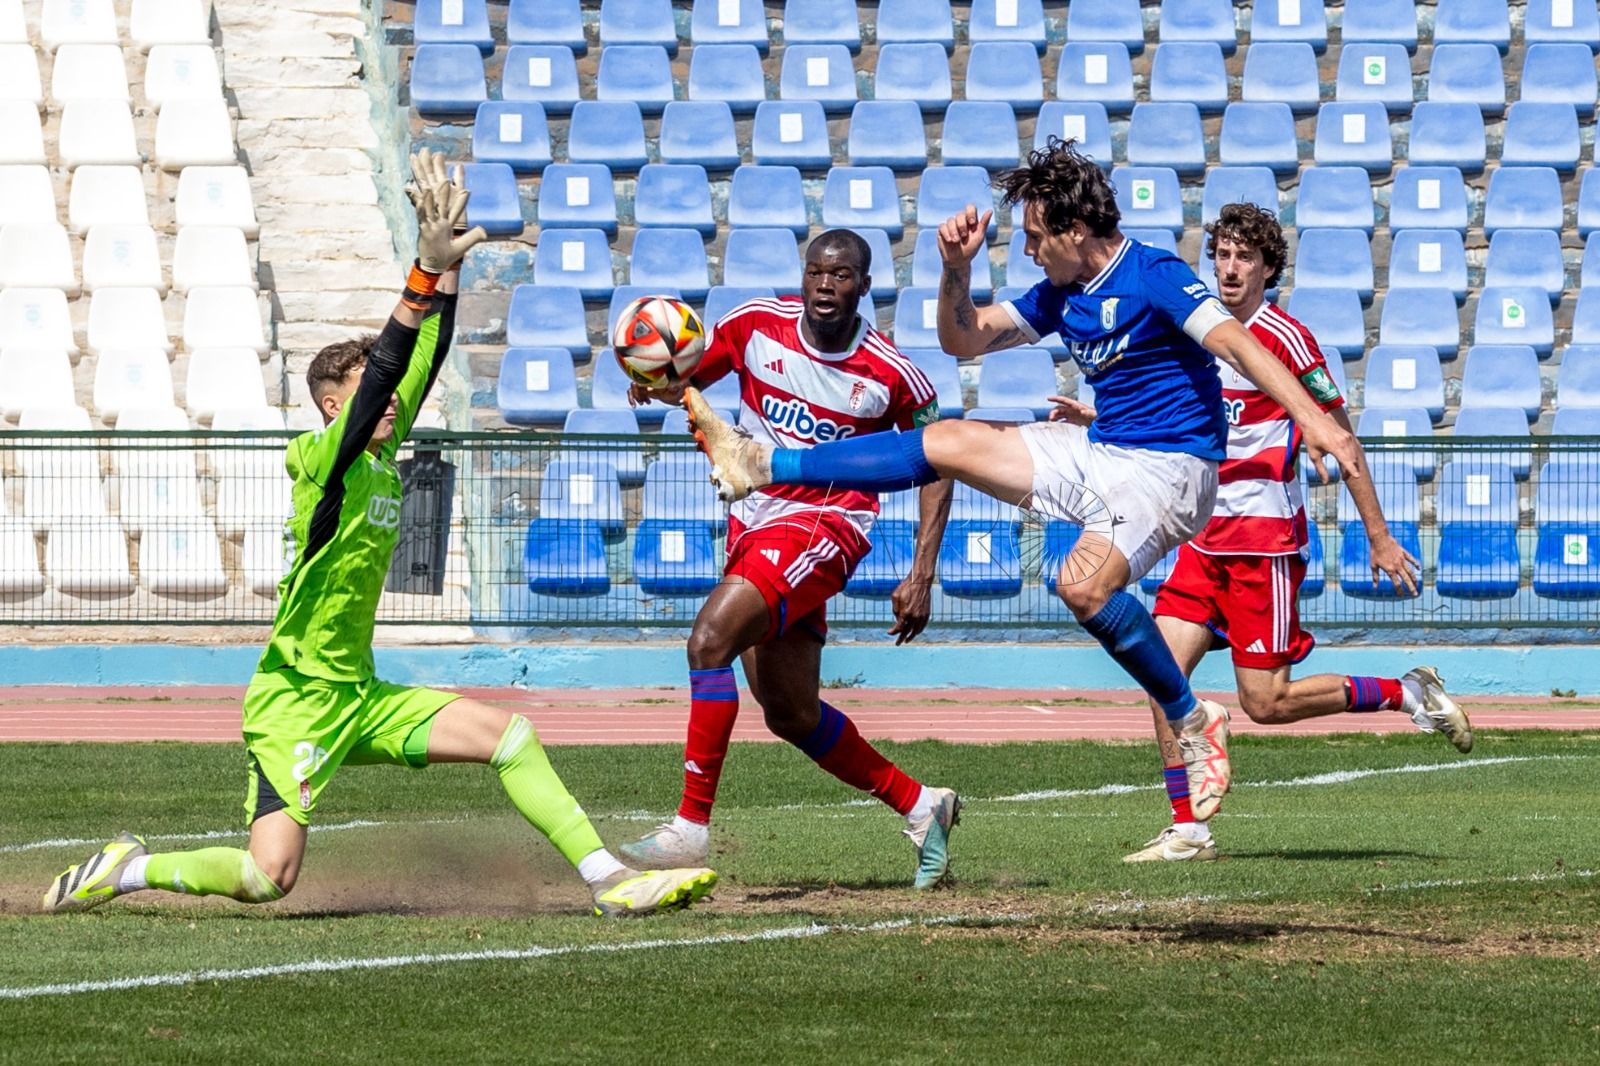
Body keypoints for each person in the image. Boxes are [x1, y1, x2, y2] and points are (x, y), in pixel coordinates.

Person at [43, 151, 717, 918]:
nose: (389, 401)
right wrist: (418, 280)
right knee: (267, 879)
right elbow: (396, 357)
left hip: (357, 693)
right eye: (368, 392)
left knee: (511, 736)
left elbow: (417, 364)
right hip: (295, 703)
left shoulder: (382, 452)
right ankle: (128, 870)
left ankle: (610, 880)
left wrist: (449, 267)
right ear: (335, 408)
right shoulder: (327, 462)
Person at [682, 140, 1368, 821]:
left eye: (1037, 237)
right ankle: (763, 463)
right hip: (1104, 451)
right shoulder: (1062, 291)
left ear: (1074, 230)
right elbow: (965, 340)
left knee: (1081, 583)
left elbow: (1236, 343)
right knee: (949, 439)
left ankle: (1193, 721)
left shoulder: (1151, 273)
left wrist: (1313, 419)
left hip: (1172, 470)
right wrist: (955, 268)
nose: (1029, 251)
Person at [1085, 203, 1471, 863]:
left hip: (1264, 550)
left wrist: (1378, 536)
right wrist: (1090, 416)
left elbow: (1341, 438)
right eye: (1222, 255)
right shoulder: (1193, 330)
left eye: (1243, 258)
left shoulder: (1286, 340)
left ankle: (1408, 693)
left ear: (1267, 269)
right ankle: (1189, 829)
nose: (1229, 269)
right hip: (1202, 543)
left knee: (1266, 704)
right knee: (1162, 681)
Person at [617, 229, 962, 889]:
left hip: (827, 524)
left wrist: (922, 571)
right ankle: (923, 806)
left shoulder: (893, 373)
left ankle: (690, 827)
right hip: (754, 522)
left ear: (865, 286)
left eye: (841, 275)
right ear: (803, 277)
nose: (826, 285)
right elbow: (686, 374)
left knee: (709, 640)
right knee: (791, 712)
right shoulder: (754, 326)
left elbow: (939, 461)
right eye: (816, 272)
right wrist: (654, 375)